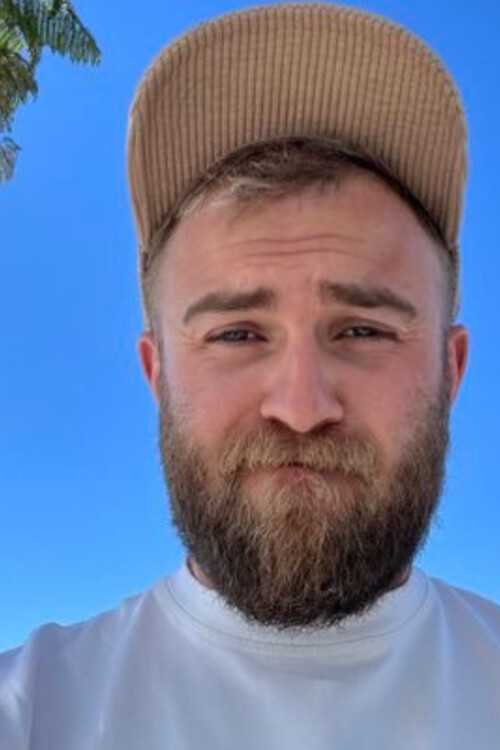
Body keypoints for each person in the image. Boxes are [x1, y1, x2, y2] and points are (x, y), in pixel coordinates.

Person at [1, 4, 499, 748]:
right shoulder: (32, 712)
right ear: (157, 375)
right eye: (236, 334)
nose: (301, 407)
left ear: (450, 369)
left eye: (363, 330)